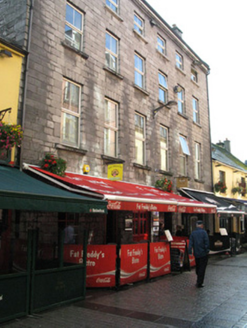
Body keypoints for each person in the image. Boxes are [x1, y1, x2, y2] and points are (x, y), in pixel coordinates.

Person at [188, 220, 209, 288]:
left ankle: (198, 277)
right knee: (202, 268)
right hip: (203, 253)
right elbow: (206, 242)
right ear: (202, 225)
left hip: (196, 253)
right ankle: (199, 282)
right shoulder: (204, 232)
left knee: (198, 266)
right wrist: (207, 250)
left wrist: (190, 251)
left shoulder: (193, 233)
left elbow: (190, 243)